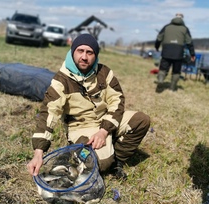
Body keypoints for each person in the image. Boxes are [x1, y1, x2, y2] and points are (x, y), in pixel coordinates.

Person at [27, 33, 150, 179]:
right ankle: (87, 151)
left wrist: (104, 131)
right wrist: (38, 152)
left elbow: (117, 101)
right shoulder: (61, 80)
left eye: (89, 52)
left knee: (141, 120)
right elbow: (49, 113)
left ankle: (117, 160)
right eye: (80, 51)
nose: (84, 57)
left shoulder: (105, 72)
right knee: (102, 163)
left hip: (106, 121)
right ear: (73, 52)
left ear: (95, 55)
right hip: (81, 127)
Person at [154, 13, 196, 92]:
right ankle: (172, 88)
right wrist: (192, 54)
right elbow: (189, 42)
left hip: (166, 51)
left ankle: (160, 80)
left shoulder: (166, 27)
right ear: (182, 19)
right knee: (176, 71)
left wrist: (156, 47)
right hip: (178, 53)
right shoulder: (185, 29)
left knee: (163, 69)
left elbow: (159, 38)